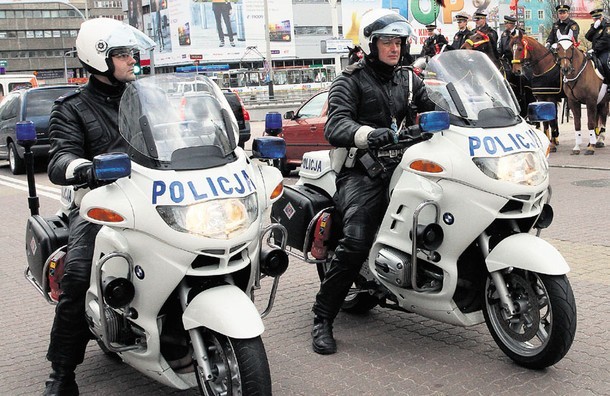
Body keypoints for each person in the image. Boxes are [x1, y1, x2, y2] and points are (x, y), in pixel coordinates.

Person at [311, 8, 435, 355]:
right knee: (356, 239)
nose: (394, 48)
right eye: (386, 42)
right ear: (371, 44)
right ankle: (322, 317)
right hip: (361, 170)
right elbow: (335, 126)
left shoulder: (409, 79)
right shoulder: (349, 80)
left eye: (398, 41)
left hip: (404, 165)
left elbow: (438, 109)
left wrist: (473, 117)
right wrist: (369, 134)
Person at [43, 18, 155, 396]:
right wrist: (83, 168)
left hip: (151, 198)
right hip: (99, 205)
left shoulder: (145, 97)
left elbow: (174, 135)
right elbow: (60, 158)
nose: (130, 60)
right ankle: (61, 373)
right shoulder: (72, 108)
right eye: (122, 54)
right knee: (76, 276)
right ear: (100, 58)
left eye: (131, 53)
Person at [585, 8, 610, 86]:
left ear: (602, 17)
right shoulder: (595, 26)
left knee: (605, 63)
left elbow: (605, 41)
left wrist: (594, 49)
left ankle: (608, 83)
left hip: (605, 51)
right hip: (595, 51)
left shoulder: (607, 26)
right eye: (595, 18)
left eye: (598, 17)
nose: (597, 19)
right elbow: (587, 37)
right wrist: (594, 28)